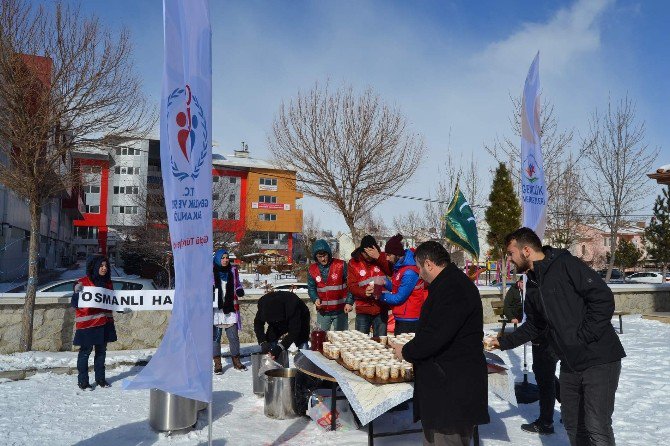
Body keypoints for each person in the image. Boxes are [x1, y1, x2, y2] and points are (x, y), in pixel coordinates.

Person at [486, 227, 626, 445]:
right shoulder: (532, 282)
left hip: (599, 358)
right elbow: (535, 324)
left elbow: (602, 298)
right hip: (570, 362)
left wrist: (583, 337)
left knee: (596, 425)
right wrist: (504, 341)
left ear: (525, 250)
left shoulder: (565, 264)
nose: (510, 260)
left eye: (511, 254)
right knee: (573, 423)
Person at [393, 241, 489, 445]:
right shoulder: (448, 283)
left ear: (428, 264)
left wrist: (407, 351)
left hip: (452, 392)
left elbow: (435, 335)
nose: (419, 274)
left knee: (446, 440)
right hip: (446, 387)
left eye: (419, 268)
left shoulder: (453, 287)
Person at [503, 278, 559, 435]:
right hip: (544, 338)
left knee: (545, 377)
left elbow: (535, 323)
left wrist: (503, 342)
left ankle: (546, 422)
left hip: (546, 339)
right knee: (544, 373)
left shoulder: (540, 284)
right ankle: (566, 411)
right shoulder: (535, 284)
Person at [71, 255, 118, 390]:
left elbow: (112, 303)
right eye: (101, 266)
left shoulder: (108, 283)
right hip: (88, 325)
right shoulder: (82, 282)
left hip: (104, 323)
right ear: (95, 267)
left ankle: (100, 380)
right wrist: (76, 291)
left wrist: (122, 308)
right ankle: (83, 382)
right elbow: (75, 303)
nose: (104, 268)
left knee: (101, 353)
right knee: (85, 353)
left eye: (106, 266)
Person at [379, 234, 427, 334]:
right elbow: (398, 289)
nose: (387, 258)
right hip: (402, 316)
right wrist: (385, 282)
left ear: (396, 254)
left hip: (409, 319)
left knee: (403, 348)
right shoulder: (400, 267)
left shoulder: (409, 272)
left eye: (388, 255)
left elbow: (399, 297)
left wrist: (380, 295)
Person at [347, 235, 393, 337]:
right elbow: (351, 286)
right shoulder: (353, 263)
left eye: (371, 253)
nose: (368, 257)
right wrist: (364, 292)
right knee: (361, 341)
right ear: (362, 251)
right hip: (363, 308)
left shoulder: (381, 258)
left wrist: (378, 257)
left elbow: (391, 272)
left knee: (380, 341)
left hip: (381, 308)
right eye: (366, 254)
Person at [307, 239, 353, 331]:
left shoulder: (341, 265)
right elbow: (311, 288)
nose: (323, 259)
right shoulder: (312, 269)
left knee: (341, 338)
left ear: (329, 253)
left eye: (325, 255)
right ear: (316, 257)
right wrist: (315, 298)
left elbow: (351, 285)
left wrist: (349, 302)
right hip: (323, 312)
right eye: (320, 256)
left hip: (341, 310)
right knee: (321, 337)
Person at [212, 248, 246, 373]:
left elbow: (237, 284)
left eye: (227, 258)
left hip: (230, 309)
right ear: (218, 259)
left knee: (234, 337)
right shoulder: (210, 272)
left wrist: (239, 290)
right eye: (223, 258)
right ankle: (217, 364)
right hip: (216, 310)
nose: (225, 260)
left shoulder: (233, 270)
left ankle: (236, 361)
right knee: (215, 338)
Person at [254, 290, 311, 360]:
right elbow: (258, 324)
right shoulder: (263, 306)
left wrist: (280, 347)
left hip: (301, 317)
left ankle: (305, 360)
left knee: (302, 339)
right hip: (279, 318)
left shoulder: (293, 305)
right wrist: (263, 342)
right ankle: (273, 364)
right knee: (270, 339)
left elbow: (294, 332)